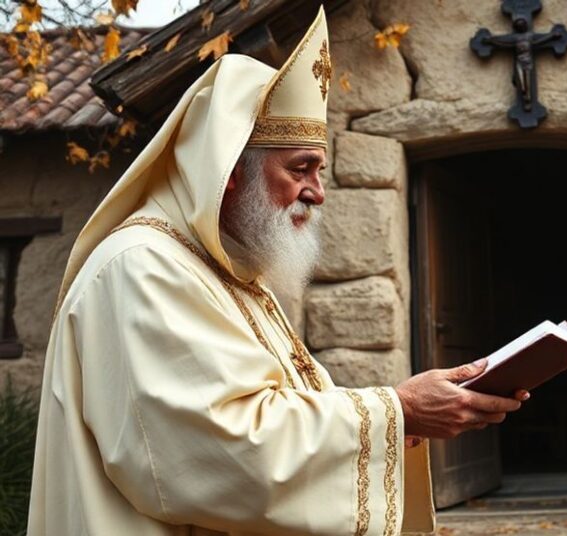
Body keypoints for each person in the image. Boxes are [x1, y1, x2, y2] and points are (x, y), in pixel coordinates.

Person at [28, 9, 526, 535]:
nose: (318, 191)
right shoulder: (143, 268)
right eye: (300, 168)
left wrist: (397, 422)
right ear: (229, 173)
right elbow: (216, 451)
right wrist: (397, 410)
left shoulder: (228, 272)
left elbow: (284, 409)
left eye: (320, 169)